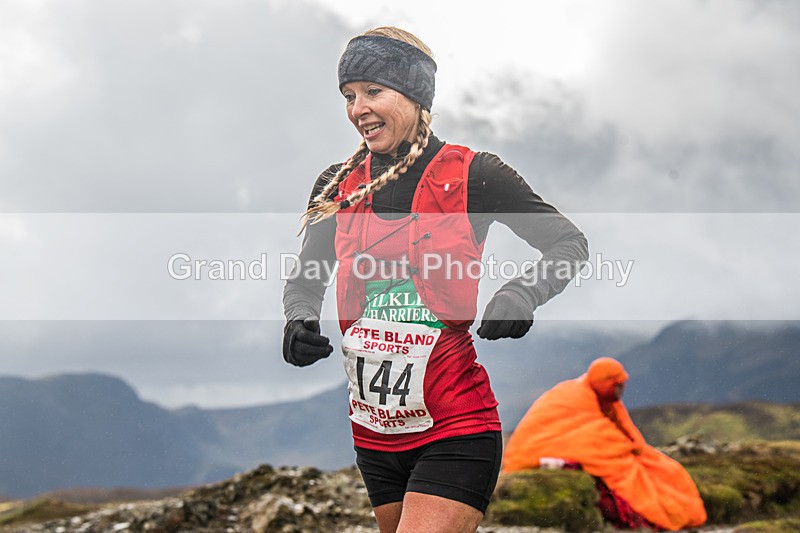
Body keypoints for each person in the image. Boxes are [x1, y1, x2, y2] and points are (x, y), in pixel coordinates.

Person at [282, 26, 588, 533]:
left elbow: (567, 243)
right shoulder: (337, 184)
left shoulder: (476, 175)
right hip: (374, 436)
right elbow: (306, 280)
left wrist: (521, 294)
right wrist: (298, 321)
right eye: (349, 96)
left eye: (373, 92)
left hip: (456, 427)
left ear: (415, 95)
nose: (358, 108)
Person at [502, 357, 707, 531]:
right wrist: (623, 448)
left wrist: (635, 448)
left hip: (562, 444)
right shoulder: (575, 395)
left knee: (663, 467)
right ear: (606, 383)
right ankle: (661, 513)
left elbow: (624, 430)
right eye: (617, 385)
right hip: (532, 450)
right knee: (632, 473)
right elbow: (589, 434)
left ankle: (683, 510)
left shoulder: (603, 397)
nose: (621, 390)